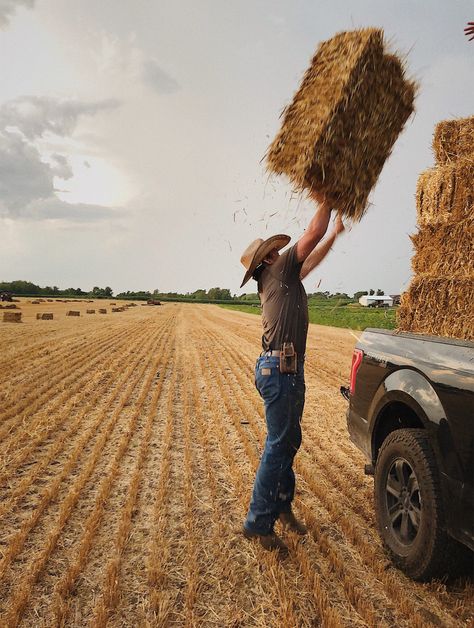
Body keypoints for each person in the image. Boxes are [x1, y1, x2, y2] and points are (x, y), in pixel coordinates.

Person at [239, 191, 344, 553]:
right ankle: (257, 521)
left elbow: (313, 255)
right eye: (274, 249)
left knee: (288, 442)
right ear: (268, 258)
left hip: (285, 370)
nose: (280, 252)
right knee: (278, 444)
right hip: (280, 370)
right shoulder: (277, 271)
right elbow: (311, 234)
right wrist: (329, 200)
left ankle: (281, 505)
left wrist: (334, 234)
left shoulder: (283, 279)